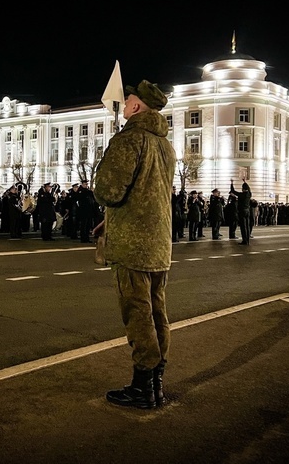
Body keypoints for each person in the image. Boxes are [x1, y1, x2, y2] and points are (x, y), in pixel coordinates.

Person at [93, 79, 175, 410]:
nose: (124, 105)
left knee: (137, 313)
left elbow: (108, 191)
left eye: (128, 101)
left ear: (137, 107)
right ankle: (156, 384)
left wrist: (102, 170)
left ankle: (143, 387)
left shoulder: (129, 139)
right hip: (158, 243)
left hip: (132, 244)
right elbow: (151, 194)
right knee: (156, 311)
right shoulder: (165, 146)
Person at [230, 178, 252, 245]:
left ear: (243, 188)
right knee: (247, 226)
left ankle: (244, 240)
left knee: (243, 227)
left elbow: (233, 191)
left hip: (242, 211)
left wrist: (231, 183)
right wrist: (245, 181)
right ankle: (247, 240)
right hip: (247, 211)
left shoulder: (241, 195)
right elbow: (249, 188)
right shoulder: (249, 194)